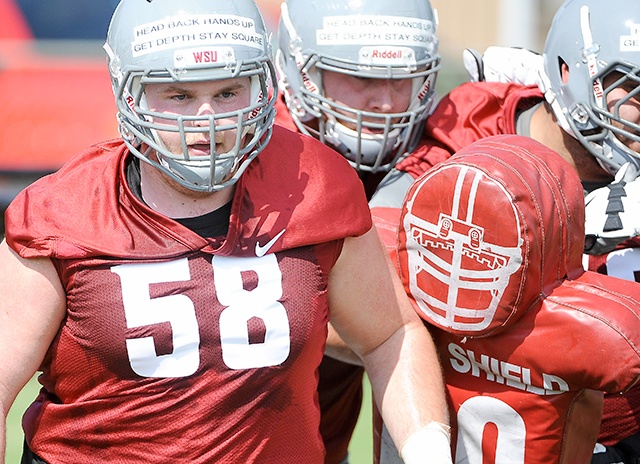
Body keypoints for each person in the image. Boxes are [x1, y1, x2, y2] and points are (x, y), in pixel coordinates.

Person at [0, 0, 453, 463]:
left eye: (229, 92)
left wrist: (428, 451)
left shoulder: (315, 185)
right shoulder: (60, 213)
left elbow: (389, 335)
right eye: (178, 94)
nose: (208, 119)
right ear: (128, 92)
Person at [370, 0, 640, 462]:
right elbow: (360, 299)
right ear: (568, 72)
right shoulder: (463, 142)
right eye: (632, 87)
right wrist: (539, 232)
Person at [398, 133, 640, 462]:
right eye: (443, 244)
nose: (456, 266)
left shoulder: (391, 282)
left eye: (485, 256)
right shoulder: (592, 324)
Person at [274, 0, 442, 462]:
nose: (386, 102)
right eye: (362, 76)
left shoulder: (442, 138)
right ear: (301, 71)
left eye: (402, 77)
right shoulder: (255, 158)